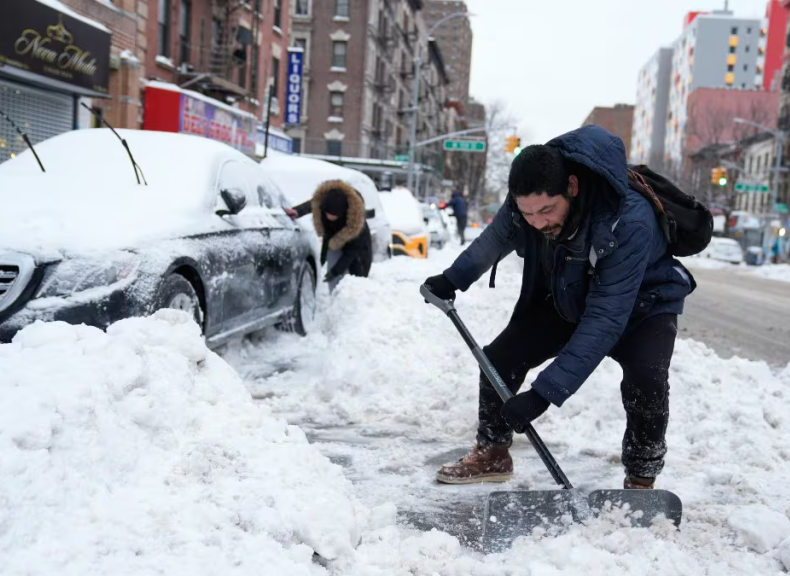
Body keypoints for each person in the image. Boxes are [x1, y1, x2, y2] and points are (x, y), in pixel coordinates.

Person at [422, 125, 695, 490]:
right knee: (499, 359)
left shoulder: (627, 218)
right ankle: (492, 451)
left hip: (643, 304)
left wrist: (542, 395)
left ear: (572, 186)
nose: (538, 223)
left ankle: (641, 478)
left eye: (547, 211)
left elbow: (606, 316)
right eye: (529, 214)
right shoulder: (529, 198)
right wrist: (453, 278)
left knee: (647, 378)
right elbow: (499, 236)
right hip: (572, 292)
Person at [290, 180, 372, 290]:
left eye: (334, 216)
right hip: (335, 242)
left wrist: (335, 271)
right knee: (333, 279)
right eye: (327, 214)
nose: (330, 218)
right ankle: (334, 299)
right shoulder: (325, 202)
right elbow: (314, 203)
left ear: (343, 212)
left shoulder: (356, 224)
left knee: (356, 281)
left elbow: (351, 253)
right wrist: (297, 211)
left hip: (358, 251)